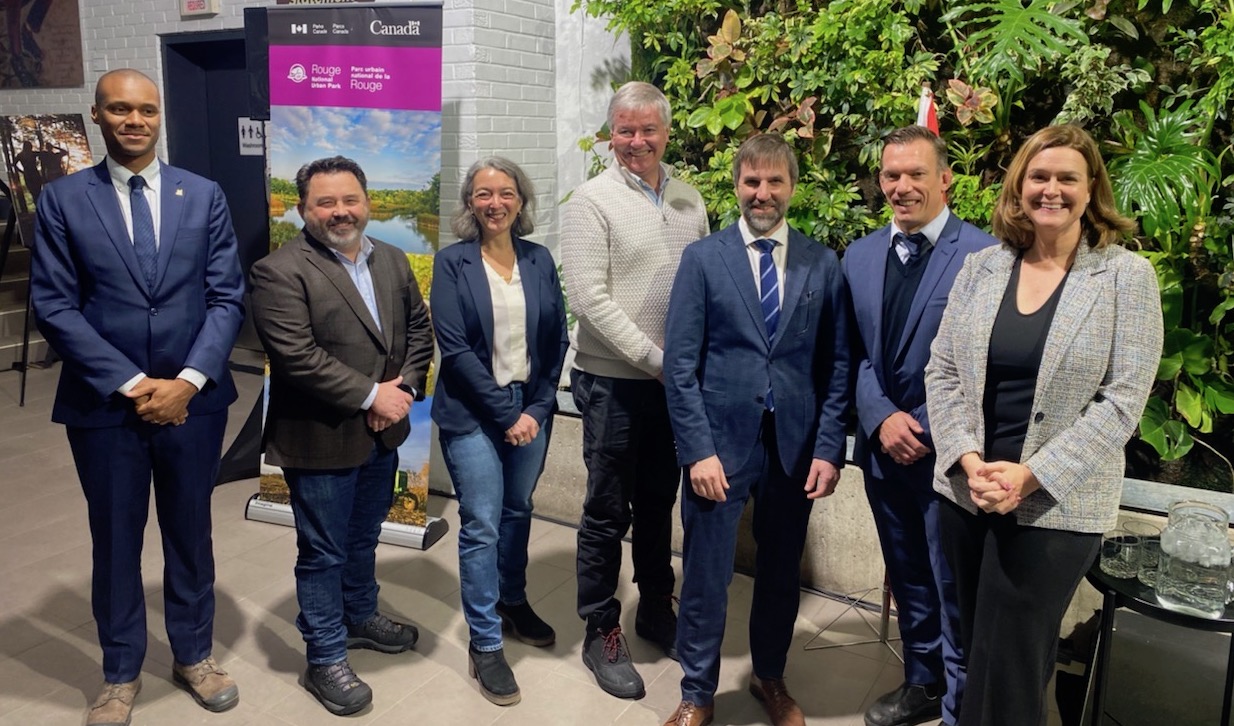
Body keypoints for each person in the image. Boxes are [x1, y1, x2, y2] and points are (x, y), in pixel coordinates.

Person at [925, 124, 1163, 726]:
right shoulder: (982, 267)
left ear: (1091, 191)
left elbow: (1122, 401)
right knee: (978, 648)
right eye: (1039, 176)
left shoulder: (1125, 277)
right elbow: (943, 370)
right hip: (968, 491)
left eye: (1067, 179)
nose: (1051, 190)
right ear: (1018, 186)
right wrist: (969, 461)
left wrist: (1030, 476)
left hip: (1056, 505)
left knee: (1011, 659)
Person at [29, 68, 245, 726]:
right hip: (104, 407)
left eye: (146, 110)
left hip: (194, 402)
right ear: (96, 115)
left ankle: (194, 655)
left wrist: (187, 381)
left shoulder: (202, 195)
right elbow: (54, 305)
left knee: (190, 533)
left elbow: (226, 295)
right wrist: (130, 383)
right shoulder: (63, 201)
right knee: (115, 539)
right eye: (119, 109)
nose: (134, 120)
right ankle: (120, 673)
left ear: (160, 118)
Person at [663, 133, 851, 726]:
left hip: (794, 451)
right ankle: (696, 693)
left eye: (774, 182)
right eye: (752, 182)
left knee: (778, 573)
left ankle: (770, 676)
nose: (762, 193)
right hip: (719, 447)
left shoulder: (823, 263)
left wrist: (829, 450)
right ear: (737, 187)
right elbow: (679, 364)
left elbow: (837, 365)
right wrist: (697, 451)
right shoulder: (704, 259)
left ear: (793, 187)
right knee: (706, 576)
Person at [249, 156, 434, 716]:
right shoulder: (279, 270)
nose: (340, 212)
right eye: (325, 202)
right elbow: (297, 357)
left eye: (349, 199)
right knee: (324, 551)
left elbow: (419, 331)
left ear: (367, 201)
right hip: (320, 438)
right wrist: (371, 396)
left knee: (362, 537)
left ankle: (360, 616)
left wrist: (399, 390)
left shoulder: (395, 259)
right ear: (303, 208)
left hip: (382, 433)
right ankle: (325, 654)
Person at [559, 80, 710, 699]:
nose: (637, 142)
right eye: (625, 130)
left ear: (666, 133)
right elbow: (589, 299)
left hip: (669, 383)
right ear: (610, 133)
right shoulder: (589, 202)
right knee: (606, 507)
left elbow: (702, 288)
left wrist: (686, 364)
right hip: (614, 382)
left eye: (648, 130)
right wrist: (656, 359)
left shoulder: (689, 200)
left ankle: (654, 608)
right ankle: (601, 627)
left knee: (657, 501)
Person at [843, 125, 996, 726]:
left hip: (951, 455)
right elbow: (849, 352)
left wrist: (926, 426)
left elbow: (988, 364)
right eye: (891, 175)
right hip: (885, 455)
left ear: (945, 179)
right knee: (906, 575)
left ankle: (962, 705)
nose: (902, 187)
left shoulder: (984, 256)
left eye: (916, 174)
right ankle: (922, 683)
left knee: (952, 584)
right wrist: (881, 418)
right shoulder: (856, 257)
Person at [431, 157, 569, 706]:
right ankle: (485, 642)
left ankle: (513, 600)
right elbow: (456, 351)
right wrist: (506, 415)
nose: (495, 203)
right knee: (483, 523)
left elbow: (556, 341)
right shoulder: (452, 263)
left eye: (505, 192)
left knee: (519, 511)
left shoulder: (539, 260)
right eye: (483, 193)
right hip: (472, 413)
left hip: (530, 407)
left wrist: (534, 408)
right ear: (470, 203)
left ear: (520, 201)